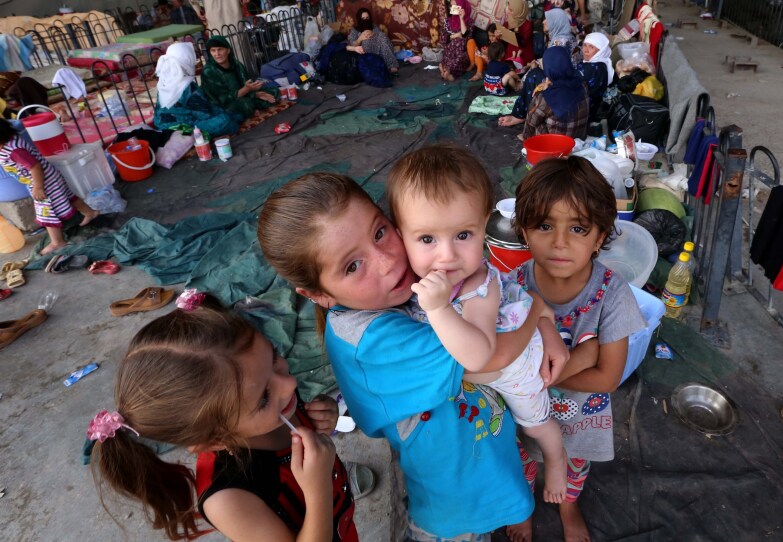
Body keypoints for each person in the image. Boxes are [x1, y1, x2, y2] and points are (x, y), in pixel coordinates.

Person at [257, 172, 535, 541]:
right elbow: (489, 356)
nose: (387, 262)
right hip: (453, 498)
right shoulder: (372, 340)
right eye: (352, 266)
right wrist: (540, 311)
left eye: (379, 232)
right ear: (316, 294)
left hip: (476, 460)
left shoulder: (400, 291)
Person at [386, 144, 570, 504]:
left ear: (484, 225)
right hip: (486, 375)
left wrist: (439, 310)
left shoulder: (477, 287)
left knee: (534, 422)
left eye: (463, 235)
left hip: (515, 366)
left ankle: (556, 458)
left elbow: (478, 357)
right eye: (426, 239)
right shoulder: (417, 276)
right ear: (400, 235)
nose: (447, 255)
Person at [90, 292, 358, 541]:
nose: (289, 385)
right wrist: (318, 488)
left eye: (274, 356)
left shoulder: (274, 401)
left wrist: (324, 415)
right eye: (264, 396)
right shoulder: (229, 499)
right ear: (215, 440)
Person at [506, 156, 647, 542]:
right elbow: (496, 363)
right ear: (523, 230)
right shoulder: (508, 287)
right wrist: (584, 355)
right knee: (520, 464)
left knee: (573, 467)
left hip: (580, 418)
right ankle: (523, 507)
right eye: (545, 225)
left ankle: (568, 506)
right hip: (521, 421)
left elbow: (607, 379)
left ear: (601, 237)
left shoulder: (612, 294)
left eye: (579, 228)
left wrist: (529, 377)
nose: (560, 242)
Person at [0, 118, 98, 255]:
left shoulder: (14, 151)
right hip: (48, 178)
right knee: (69, 197)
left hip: (45, 182)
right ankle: (90, 212)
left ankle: (58, 242)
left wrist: (38, 187)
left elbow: (35, 167)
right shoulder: (9, 142)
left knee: (46, 213)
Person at [153, 42, 241, 137]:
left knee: (219, 110)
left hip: (161, 127)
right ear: (188, 60)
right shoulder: (188, 87)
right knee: (225, 120)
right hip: (184, 130)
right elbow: (205, 115)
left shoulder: (163, 82)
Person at [202, 35, 280, 121]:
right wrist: (247, 90)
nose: (217, 54)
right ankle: (251, 109)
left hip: (244, 95)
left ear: (228, 50)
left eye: (220, 49)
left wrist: (255, 93)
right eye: (213, 50)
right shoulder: (209, 71)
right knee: (245, 104)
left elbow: (246, 84)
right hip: (224, 104)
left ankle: (252, 109)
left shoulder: (236, 64)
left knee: (274, 91)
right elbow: (222, 99)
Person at [521, 46, 590, 141]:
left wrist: (526, 137)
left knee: (535, 117)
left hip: (556, 145)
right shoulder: (582, 84)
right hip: (579, 138)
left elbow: (531, 121)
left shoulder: (546, 96)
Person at [346, 8, 399, 74]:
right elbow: (351, 46)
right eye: (363, 18)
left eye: (367, 18)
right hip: (365, 52)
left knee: (383, 36)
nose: (365, 20)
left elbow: (380, 36)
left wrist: (373, 33)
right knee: (366, 40)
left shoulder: (373, 26)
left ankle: (392, 65)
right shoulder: (355, 30)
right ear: (359, 19)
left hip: (378, 50)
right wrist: (360, 38)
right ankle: (375, 66)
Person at [578, 32, 614, 122]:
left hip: (584, 114)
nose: (586, 50)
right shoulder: (604, 64)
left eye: (591, 47)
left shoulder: (591, 68)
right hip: (592, 111)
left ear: (601, 50)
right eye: (585, 45)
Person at [439, 0, 471, 82]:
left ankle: (447, 72)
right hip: (450, 51)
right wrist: (456, 35)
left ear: (461, 7)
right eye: (451, 5)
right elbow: (443, 40)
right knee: (447, 58)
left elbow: (465, 36)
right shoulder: (448, 21)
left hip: (462, 52)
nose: (451, 7)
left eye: (454, 6)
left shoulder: (469, 22)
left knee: (461, 58)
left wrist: (461, 18)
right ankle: (446, 71)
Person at [498, 0, 534, 71]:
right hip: (509, 56)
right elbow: (504, 43)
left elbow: (523, 43)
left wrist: (516, 31)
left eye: (511, 10)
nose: (507, 11)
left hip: (523, 58)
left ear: (519, 11)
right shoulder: (507, 23)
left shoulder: (527, 25)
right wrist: (499, 36)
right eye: (508, 8)